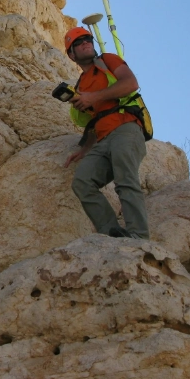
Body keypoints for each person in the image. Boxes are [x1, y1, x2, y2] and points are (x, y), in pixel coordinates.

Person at [63, 27, 149, 239]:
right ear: (71, 54)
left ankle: (138, 238)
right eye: (79, 42)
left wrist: (94, 97)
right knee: (82, 181)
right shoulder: (81, 84)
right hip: (102, 139)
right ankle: (113, 234)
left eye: (88, 39)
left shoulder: (108, 60)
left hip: (125, 127)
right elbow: (94, 119)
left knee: (125, 180)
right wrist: (85, 148)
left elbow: (131, 84)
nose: (86, 43)